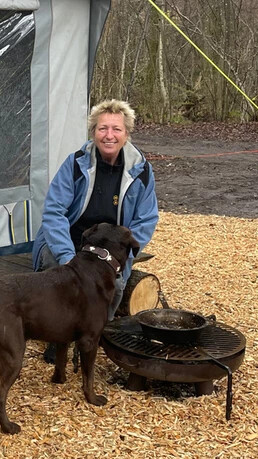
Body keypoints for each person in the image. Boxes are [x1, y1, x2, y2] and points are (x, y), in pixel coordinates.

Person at [31, 99, 159, 363]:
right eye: (102, 129)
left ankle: (93, 333)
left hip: (110, 246)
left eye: (116, 129)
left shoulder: (141, 170)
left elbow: (146, 220)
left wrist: (126, 257)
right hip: (69, 240)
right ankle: (59, 337)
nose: (109, 135)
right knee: (59, 275)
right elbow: (54, 212)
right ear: (93, 132)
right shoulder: (76, 163)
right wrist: (67, 256)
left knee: (117, 283)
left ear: (126, 133)